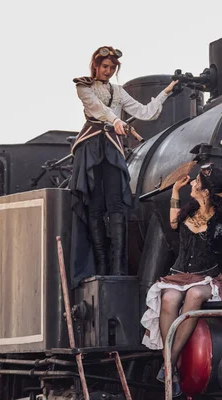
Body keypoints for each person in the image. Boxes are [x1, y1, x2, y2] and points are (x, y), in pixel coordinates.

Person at [140, 163, 222, 397]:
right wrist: (174, 192)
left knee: (194, 295)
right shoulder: (189, 210)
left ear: (206, 192)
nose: (192, 183)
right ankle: (171, 367)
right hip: (179, 275)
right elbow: (174, 223)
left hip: (207, 278)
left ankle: (168, 363)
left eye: (197, 182)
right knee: (169, 297)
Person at [70, 46, 178, 277]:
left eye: (112, 68)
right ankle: (100, 266)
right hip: (91, 147)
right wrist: (116, 122)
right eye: (105, 66)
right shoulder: (84, 86)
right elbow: (98, 110)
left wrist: (166, 92)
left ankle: (117, 268)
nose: (108, 71)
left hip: (112, 147)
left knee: (117, 205)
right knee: (96, 207)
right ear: (96, 66)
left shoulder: (118, 92)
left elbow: (146, 112)